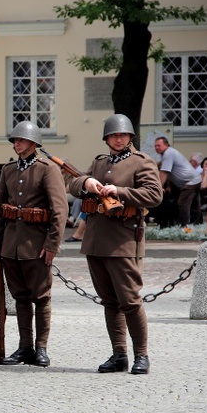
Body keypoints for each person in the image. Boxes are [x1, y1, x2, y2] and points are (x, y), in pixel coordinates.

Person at [68, 114, 163, 375]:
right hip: (96, 239)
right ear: (107, 138)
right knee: (109, 301)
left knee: (130, 301)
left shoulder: (141, 162)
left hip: (124, 239)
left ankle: (141, 355)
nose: (118, 138)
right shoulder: (100, 163)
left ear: (130, 137)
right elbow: (73, 183)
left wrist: (119, 192)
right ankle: (119, 354)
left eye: (122, 135)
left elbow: (154, 195)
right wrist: (86, 182)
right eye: (113, 135)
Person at [0, 121, 67, 367]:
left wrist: (52, 244)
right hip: (11, 245)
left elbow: (59, 210)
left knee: (41, 297)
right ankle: (25, 347)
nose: (17, 144)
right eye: (14, 140)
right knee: (20, 297)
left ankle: (41, 348)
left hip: (37, 245)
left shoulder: (47, 169)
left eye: (21, 140)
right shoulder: (8, 170)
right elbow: (0, 208)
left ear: (34, 143)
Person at [154, 137, 201, 227]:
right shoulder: (168, 153)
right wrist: (168, 185)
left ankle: (183, 226)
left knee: (182, 203)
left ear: (166, 144)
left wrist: (158, 187)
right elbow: (169, 172)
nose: (156, 148)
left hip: (190, 182)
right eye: (155, 146)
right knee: (195, 204)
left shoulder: (168, 153)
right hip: (194, 180)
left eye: (159, 145)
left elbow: (164, 172)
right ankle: (196, 224)